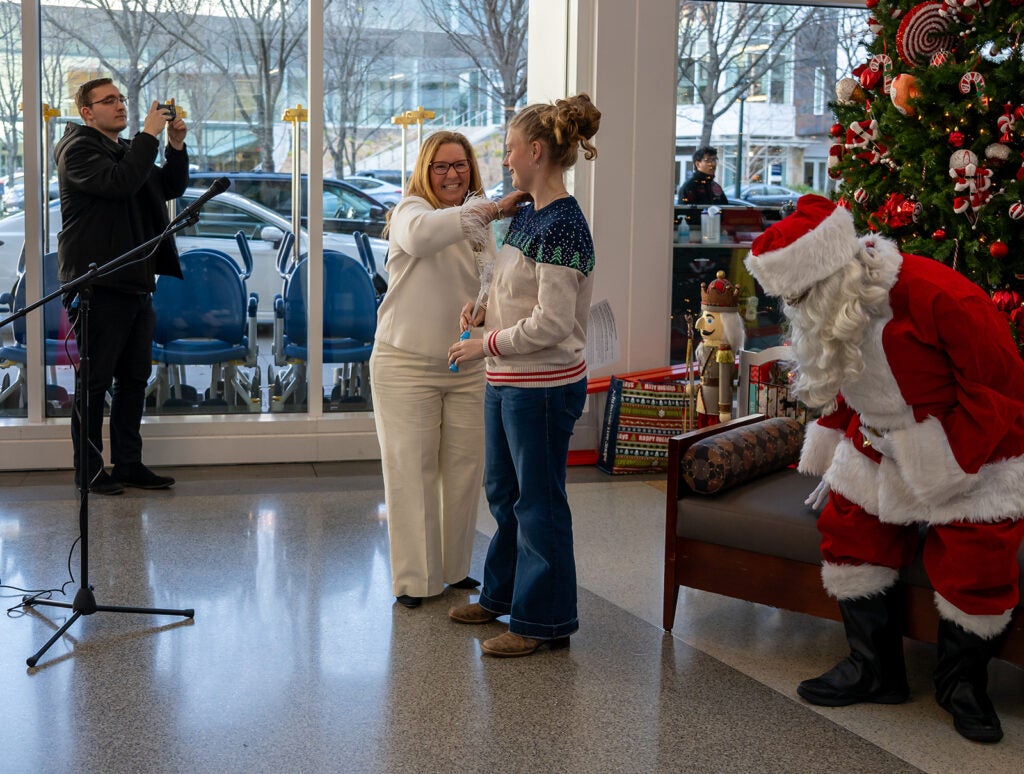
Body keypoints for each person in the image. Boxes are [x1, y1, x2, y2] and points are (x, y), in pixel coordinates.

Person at [744, 194, 1024, 743]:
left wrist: (946, 465)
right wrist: (833, 434)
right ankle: (874, 669)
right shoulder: (834, 302)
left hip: (970, 448)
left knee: (978, 559)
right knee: (848, 531)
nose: (795, 309)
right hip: (876, 439)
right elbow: (849, 374)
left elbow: (1000, 390)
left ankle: (961, 684)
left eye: (800, 295)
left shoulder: (943, 296)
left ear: (830, 275)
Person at [446, 93, 602, 658]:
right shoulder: (531, 213)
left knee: (539, 502)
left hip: (540, 386)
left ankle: (544, 622)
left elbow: (554, 324)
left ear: (536, 151)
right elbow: (516, 286)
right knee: (505, 491)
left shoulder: (562, 224)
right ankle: (501, 595)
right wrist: (484, 305)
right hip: (509, 380)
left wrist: (484, 344)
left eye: (511, 151)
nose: (506, 161)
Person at [371, 130, 528, 609]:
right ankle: (415, 580)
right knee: (412, 472)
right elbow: (422, 239)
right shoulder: (409, 213)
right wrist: (495, 207)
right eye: (441, 166)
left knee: (463, 471)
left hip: (466, 362)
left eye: (460, 165)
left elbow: (489, 283)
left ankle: (453, 569)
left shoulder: (480, 224)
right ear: (425, 170)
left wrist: (484, 311)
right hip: (405, 363)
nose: (451, 174)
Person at [55, 78, 189, 496]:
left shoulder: (126, 149)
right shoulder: (77, 150)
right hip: (98, 283)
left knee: (134, 379)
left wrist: (175, 146)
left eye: (121, 99)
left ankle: (129, 463)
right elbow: (119, 183)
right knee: (95, 383)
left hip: (134, 281)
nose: (119, 105)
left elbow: (167, 187)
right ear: (87, 112)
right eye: (108, 100)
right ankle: (90, 470)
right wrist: (148, 136)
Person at [693, 271, 745, 427]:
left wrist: (724, 407)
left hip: (716, 402)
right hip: (703, 397)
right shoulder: (704, 346)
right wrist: (695, 387)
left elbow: (723, 380)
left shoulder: (724, 352)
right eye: (704, 317)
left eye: (709, 319)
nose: (699, 325)